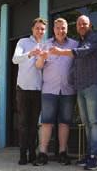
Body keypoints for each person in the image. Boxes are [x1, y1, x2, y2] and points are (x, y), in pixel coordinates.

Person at [49, 15, 97, 170]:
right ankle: (89, 155)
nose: (81, 25)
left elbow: (82, 52)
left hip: (93, 85)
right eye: (79, 23)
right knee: (87, 123)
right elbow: (75, 66)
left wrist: (60, 52)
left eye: (84, 23)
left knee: (94, 122)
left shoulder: (95, 38)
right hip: (80, 88)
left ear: (90, 25)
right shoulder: (81, 41)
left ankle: (95, 157)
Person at [33, 18, 78, 166]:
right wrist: (42, 58)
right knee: (46, 122)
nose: (61, 31)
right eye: (58, 28)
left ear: (67, 29)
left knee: (64, 123)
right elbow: (38, 66)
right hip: (49, 90)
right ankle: (43, 153)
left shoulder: (74, 45)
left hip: (68, 90)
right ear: (53, 29)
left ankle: (62, 153)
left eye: (63, 28)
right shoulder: (46, 45)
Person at [12, 17, 47, 165]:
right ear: (32, 29)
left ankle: (32, 153)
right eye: (37, 28)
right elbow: (15, 59)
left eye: (42, 29)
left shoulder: (46, 45)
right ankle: (22, 154)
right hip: (23, 89)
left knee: (33, 124)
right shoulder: (23, 42)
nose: (40, 31)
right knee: (23, 123)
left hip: (37, 90)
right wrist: (30, 54)